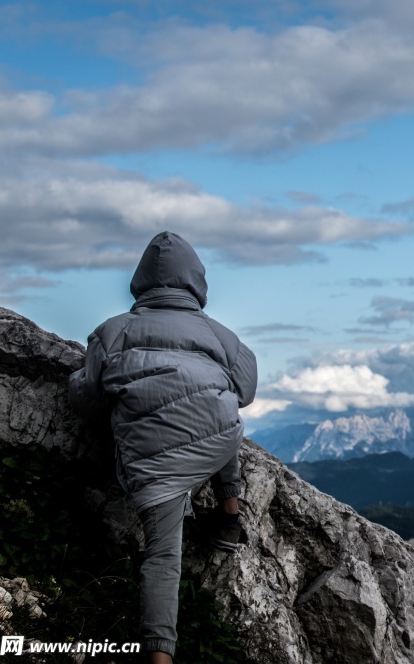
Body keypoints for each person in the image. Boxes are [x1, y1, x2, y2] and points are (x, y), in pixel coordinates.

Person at [68, 231, 258, 663]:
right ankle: (230, 517)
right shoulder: (223, 337)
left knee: (162, 559)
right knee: (223, 413)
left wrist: (76, 379)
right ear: (196, 281)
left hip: (155, 468)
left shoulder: (112, 332)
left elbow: (91, 401)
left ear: (140, 281)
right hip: (213, 442)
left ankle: (159, 657)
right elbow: (244, 391)